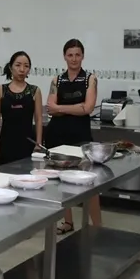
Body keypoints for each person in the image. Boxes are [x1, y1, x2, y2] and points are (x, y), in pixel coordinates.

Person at [46, 39, 100, 232]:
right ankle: (68, 222)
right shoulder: (56, 80)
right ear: (64, 56)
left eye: (77, 54)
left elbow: (88, 108)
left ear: (83, 56)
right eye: (70, 55)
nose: (74, 59)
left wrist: (61, 108)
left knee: (90, 183)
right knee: (62, 181)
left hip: (81, 136)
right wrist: (74, 108)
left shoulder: (90, 79)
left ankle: (97, 227)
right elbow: (50, 109)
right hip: (57, 137)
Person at [0, 51, 42, 165]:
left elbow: (38, 119)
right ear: (11, 67)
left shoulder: (34, 91)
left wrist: (38, 143)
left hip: (27, 143)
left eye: (26, 66)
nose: (22, 69)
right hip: (6, 142)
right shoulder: (1, 90)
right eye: (18, 65)